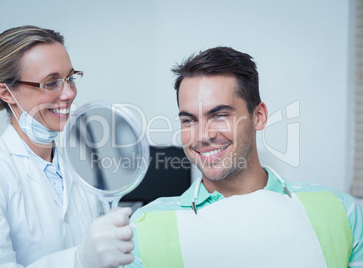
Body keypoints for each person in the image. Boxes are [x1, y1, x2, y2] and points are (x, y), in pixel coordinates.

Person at [128, 46, 363, 267]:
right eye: (189, 120)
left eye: (219, 115)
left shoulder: (341, 211)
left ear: (258, 116)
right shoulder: (143, 227)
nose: (202, 136)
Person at [0, 26, 134, 267]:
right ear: (6, 92)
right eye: (51, 83)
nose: (69, 93)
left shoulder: (83, 167)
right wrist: (78, 260)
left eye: (70, 79)